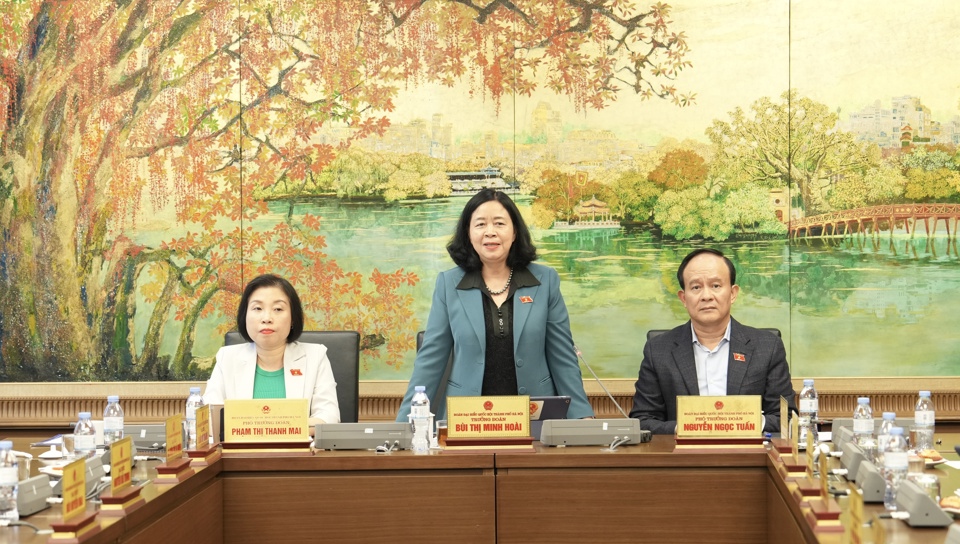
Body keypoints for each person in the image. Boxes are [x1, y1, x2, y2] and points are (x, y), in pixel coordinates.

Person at [396, 189, 593, 422]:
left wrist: (582, 417)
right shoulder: (449, 284)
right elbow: (430, 359)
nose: (490, 232)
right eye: (480, 224)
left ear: (515, 231)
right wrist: (403, 424)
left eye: (499, 223)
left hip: (535, 419)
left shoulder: (545, 281)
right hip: (468, 420)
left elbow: (563, 357)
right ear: (468, 233)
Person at [629, 248, 795, 434]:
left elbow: (786, 418)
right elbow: (642, 421)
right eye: (696, 287)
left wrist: (740, 422)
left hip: (747, 458)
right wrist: (687, 427)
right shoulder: (658, 350)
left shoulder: (767, 347)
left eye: (716, 286)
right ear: (683, 298)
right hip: (683, 458)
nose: (706, 296)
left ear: (733, 293)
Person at [204, 274, 340, 425]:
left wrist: (277, 429)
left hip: (297, 448)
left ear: (293, 318)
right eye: (257, 308)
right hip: (241, 449)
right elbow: (209, 419)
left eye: (278, 309)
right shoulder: (227, 358)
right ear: (245, 316)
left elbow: (329, 416)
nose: (267, 318)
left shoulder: (315, 356)